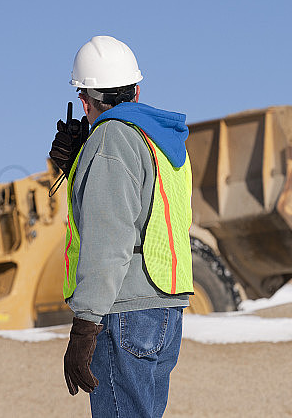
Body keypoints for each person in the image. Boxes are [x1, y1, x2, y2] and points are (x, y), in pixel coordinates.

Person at [49, 35, 193, 418]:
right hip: (163, 309)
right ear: (136, 89)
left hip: (122, 312)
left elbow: (108, 239)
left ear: (85, 99)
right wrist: (80, 163)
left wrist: (85, 324)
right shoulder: (161, 140)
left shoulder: (111, 140)